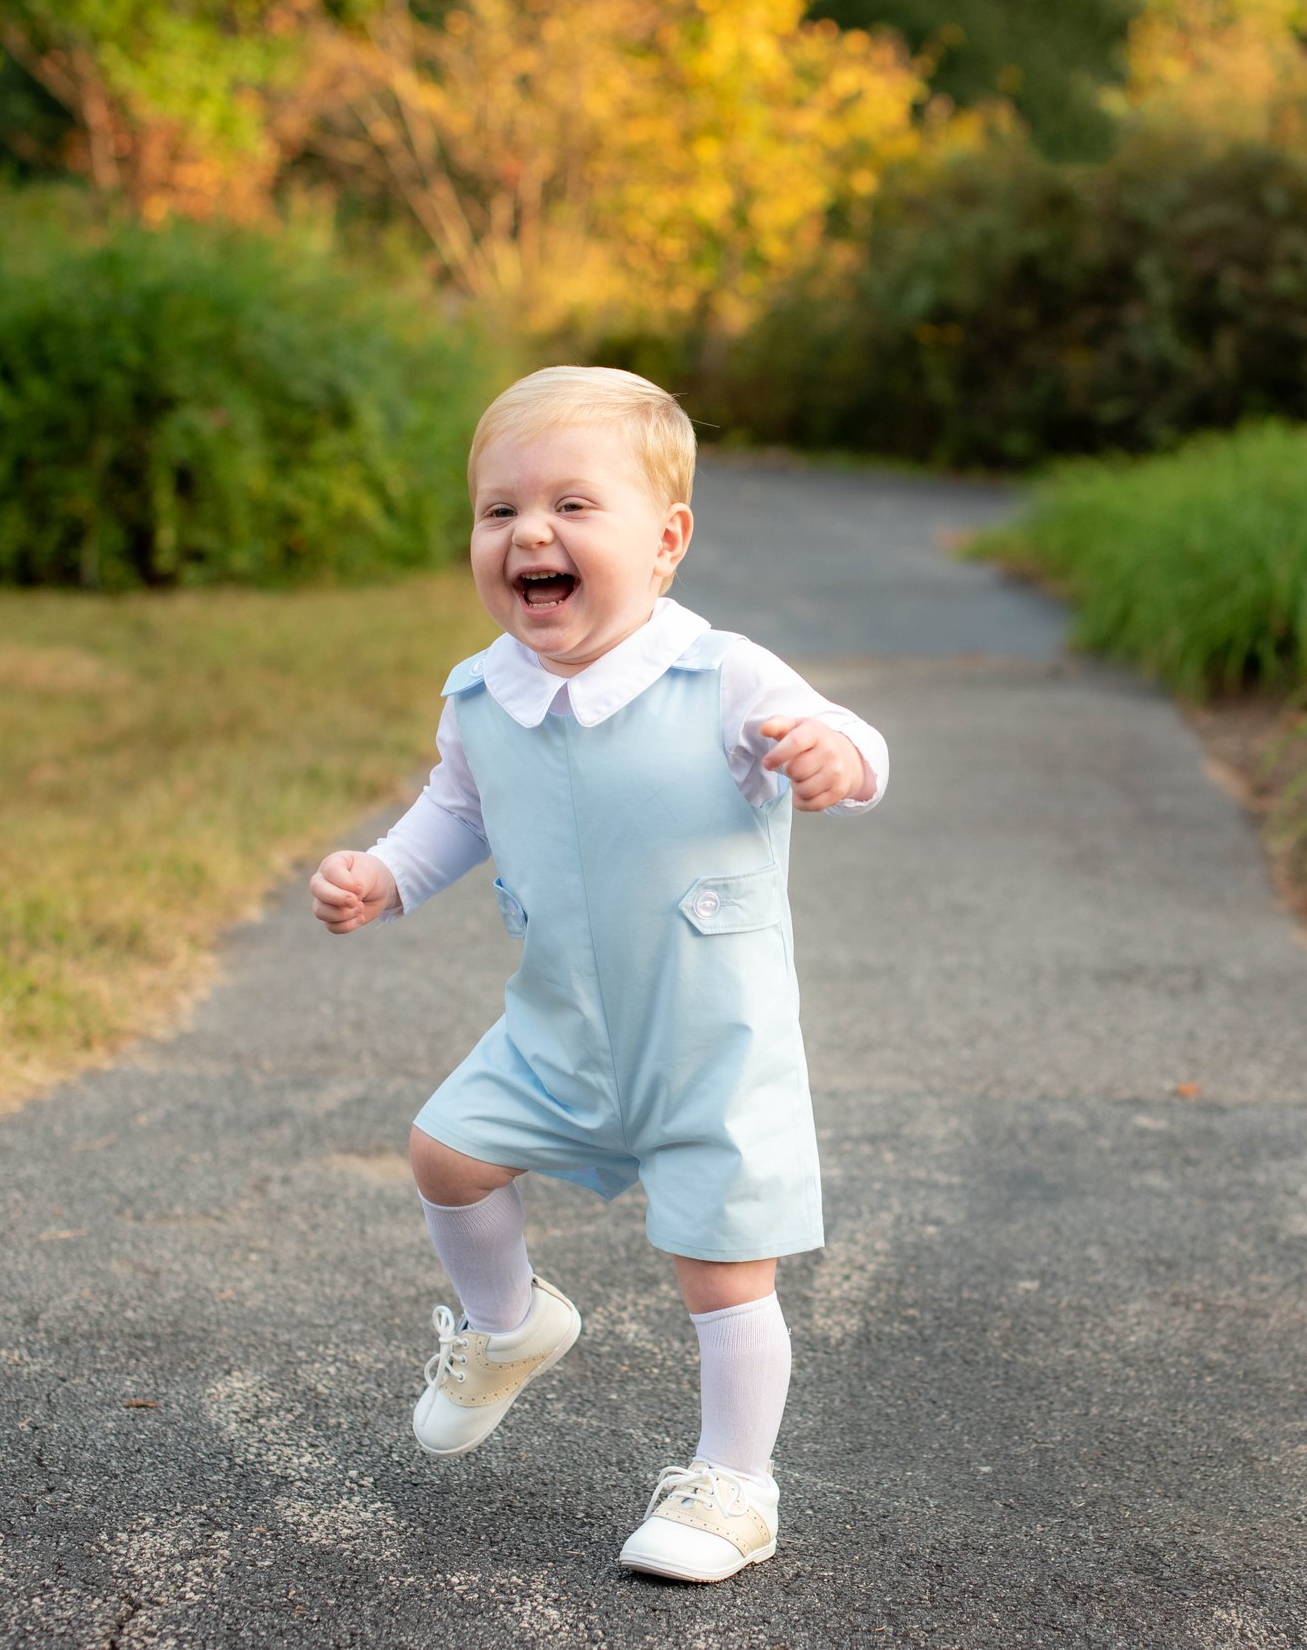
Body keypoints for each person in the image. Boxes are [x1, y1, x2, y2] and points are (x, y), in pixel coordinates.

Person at [308, 366, 887, 1583]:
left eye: (575, 505)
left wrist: (834, 755)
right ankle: (509, 1324)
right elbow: (452, 811)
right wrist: (386, 875)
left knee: (723, 1268)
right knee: (446, 1154)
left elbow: (857, 740)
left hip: (704, 1036)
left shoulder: (720, 674)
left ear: (665, 540)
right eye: (499, 510)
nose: (531, 533)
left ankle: (734, 1481)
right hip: (558, 1029)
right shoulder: (483, 696)